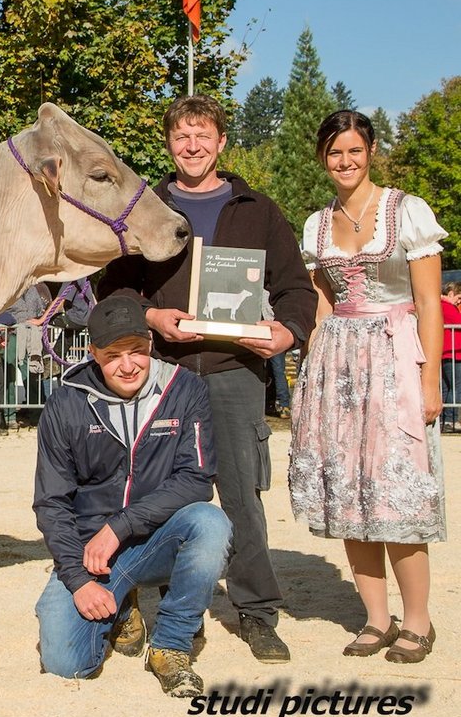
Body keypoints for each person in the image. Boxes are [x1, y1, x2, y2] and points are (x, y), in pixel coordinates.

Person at [99, 94, 316, 663]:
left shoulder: (258, 210)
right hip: (163, 375)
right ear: (169, 143)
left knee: (242, 497)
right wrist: (147, 317)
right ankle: (177, 612)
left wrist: (286, 332)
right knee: (161, 498)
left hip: (236, 372)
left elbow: (295, 287)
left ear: (221, 142)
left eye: (203, 136)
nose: (192, 147)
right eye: (181, 137)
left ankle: (257, 612)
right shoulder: (146, 207)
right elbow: (111, 288)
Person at [287, 110, 446, 664]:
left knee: (396, 490)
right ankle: (377, 619)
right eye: (334, 153)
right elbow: (323, 300)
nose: (345, 161)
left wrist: (430, 379)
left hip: (395, 353)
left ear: (371, 150)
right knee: (351, 491)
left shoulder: (408, 211)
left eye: (354, 150)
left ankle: (418, 621)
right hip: (337, 360)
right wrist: (311, 368)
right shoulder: (315, 223)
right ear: (322, 159)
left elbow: (429, 301)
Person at [33, 296, 229, 696]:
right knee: (64, 665)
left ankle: (171, 643)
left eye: (137, 351)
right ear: (92, 354)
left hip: (156, 538)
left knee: (211, 524)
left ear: (151, 345)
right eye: (113, 355)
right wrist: (77, 579)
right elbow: (51, 502)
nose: (128, 365)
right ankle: (121, 605)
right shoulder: (65, 403)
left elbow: (197, 479)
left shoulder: (186, 388)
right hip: (94, 554)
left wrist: (119, 526)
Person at [441, 281, 461, 433]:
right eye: (458, 298)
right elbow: (458, 321)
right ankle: (449, 420)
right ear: (451, 294)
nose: (459, 302)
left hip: (448, 354)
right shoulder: (447, 306)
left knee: (448, 388)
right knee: (456, 387)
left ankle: (445, 419)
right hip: (453, 354)